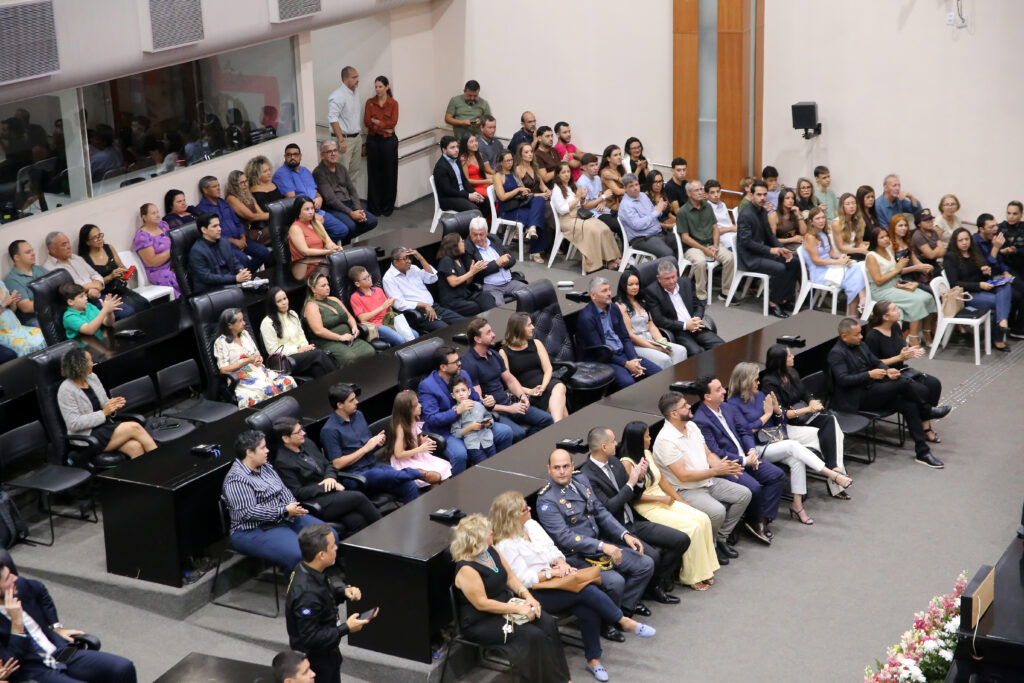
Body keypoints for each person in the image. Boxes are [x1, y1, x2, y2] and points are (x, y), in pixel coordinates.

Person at [489, 491, 655, 681]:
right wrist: (551, 573)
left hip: (558, 580)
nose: (529, 509)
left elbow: (552, 549)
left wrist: (561, 563)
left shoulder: (531, 525)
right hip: (535, 593)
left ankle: (594, 659)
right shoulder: (506, 544)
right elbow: (522, 580)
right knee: (584, 590)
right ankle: (622, 620)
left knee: (588, 609)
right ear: (512, 516)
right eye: (524, 509)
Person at [450, 514, 572, 683]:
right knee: (532, 635)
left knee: (547, 622)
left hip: (505, 606)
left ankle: (562, 679)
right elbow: (482, 604)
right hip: (481, 620)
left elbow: (511, 577)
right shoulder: (467, 569)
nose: (492, 532)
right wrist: (519, 609)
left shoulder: (491, 550)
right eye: (487, 531)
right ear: (476, 539)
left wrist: (528, 598)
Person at [726, 362, 852, 525]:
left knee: (796, 460)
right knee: (793, 446)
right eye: (755, 379)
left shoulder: (760, 395)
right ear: (745, 381)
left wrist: (777, 412)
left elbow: (780, 422)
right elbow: (746, 431)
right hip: (755, 448)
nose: (758, 382)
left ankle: (797, 505)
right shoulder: (732, 405)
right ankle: (832, 474)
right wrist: (767, 415)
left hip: (774, 439)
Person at [536, 449, 656, 619]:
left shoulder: (581, 479)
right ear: (549, 469)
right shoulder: (546, 500)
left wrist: (624, 534)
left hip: (599, 545)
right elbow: (565, 537)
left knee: (645, 564)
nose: (562, 471)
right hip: (576, 556)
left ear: (572, 466)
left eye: (565, 466)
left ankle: (623, 609)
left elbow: (600, 512)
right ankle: (608, 621)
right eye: (557, 467)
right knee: (615, 582)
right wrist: (602, 546)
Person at [579, 427, 689, 605]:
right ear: (604, 447)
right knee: (653, 556)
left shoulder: (614, 462)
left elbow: (633, 495)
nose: (617, 444)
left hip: (634, 521)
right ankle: (653, 588)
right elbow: (608, 508)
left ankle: (655, 583)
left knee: (681, 540)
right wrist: (630, 484)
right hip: (616, 529)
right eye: (613, 441)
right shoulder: (587, 476)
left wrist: (638, 480)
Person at [827, 317, 946, 468]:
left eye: (860, 333)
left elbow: (875, 361)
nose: (861, 336)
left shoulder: (860, 345)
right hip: (857, 398)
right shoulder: (836, 353)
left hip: (873, 390)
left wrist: (887, 370)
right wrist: (869, 374)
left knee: (909, 405)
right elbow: (843, 380)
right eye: (857, 334)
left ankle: (922, 452)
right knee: (902, 383)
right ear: (844, 336)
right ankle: (927, 409)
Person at [617, 421, 719, 589]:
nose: (650, 439)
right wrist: (660, 499)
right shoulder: (626, 463)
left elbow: (662, 480)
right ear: (637, 439)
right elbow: (632, 497)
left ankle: (705, 569)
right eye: (647, 436)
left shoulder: (647, 452)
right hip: (648, 507)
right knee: (692, 527)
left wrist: (679, 499)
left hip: (663, 499)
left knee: (703, 518)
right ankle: (692, 576)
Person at [0, 558, 138, 682]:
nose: (15, 578)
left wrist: (56, 626)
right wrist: (16, 623)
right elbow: (10, 665)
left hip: (60, 652)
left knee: (123, 667)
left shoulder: (20, 587)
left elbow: (41, 591)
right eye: (7, 578)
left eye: (11, 573)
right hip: (34, 669)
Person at [652, 391, 751, 564]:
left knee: (744, 494)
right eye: (684, 406)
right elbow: (683, 476)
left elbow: (708, 453)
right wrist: (716, 471)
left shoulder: (692, 426)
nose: (690, 406)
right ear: (674, 414)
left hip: (708, 481)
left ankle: (721, 539)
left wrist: (723, 467)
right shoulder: (665, 441)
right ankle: (711, 547)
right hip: (687, 489)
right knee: (717, 511)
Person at [690, 376, 786, 545]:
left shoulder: (727, 407)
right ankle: (754, 520)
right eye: (718, 389)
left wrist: (751, 451)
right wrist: (744, 460)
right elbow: (716, 452)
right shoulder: (700, 420)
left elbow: (745, 431)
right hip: (729, 464)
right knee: (754, 488)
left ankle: (761, 519)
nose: (724, 391)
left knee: (777, 475)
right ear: (707, 396)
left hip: (747, 456)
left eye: (722, 387)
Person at [223, 430, 334, 572]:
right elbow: (249, 512)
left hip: (284, 517)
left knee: (329, 536)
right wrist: (284, 510)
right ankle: (300, 585)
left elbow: (283, 489)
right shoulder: (236, 480)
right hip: (252, 529)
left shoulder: (265, 466)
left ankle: (319, 579)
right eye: (263, 448)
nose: (267, 450)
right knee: (298, 554)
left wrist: (293, 506)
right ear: (249, 452)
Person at [320, 382, 433, 504]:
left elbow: (368, 444)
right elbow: (337, 464)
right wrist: (365, 448)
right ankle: (416, 473)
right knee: (378, 474)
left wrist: (376, 442)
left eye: (355, 398)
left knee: (408, 484)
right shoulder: (329, 430)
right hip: (354, 475)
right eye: (351, 400)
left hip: (373, 464)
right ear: (340, 405)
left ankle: (414, 510)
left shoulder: (358, 415)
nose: (357, 402)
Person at [761, 344, 850, 497]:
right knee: (831, 436)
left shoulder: (791, 372)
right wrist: (808, 409)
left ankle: (835, 472)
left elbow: (804, 393)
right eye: (789, 355)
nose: (793, 356)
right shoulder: (769, 382)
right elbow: (781, 414)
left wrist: (812, 401)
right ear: (780, 360)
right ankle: (836, 479)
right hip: (786, 426)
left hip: (802, 418)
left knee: (831, 422)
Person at [285, 525, 371, 683]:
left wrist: (343, 592)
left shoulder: (307, 569)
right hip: (316, 662)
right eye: (332, 546)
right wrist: (346, 628)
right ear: (321, 555)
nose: (336, 548)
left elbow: (324, 595)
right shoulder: (306, 595)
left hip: (328, 652)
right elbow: (310, 637)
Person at [417, 345, 515, 473]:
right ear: (443, 367)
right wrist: (456, 411)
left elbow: (476, 400)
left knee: (506, 432)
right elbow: (431, 419)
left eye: (459, 359)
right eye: (455, 362)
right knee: (460, 454)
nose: (460, 363)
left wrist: (488, 403)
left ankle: (503, 470)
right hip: (448, 431)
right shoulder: (428, 386)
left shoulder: (463, 374)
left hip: (472, 422)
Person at [275, 419, 380, 535]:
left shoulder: (307, 443)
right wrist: (327, 486)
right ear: (286, 438)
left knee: (357, 521)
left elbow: (329, 465)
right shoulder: (282, 462)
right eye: (298, 432)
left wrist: (330, 478)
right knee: (358, 497)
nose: (303, 433)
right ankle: (384, 529)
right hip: (316, 502)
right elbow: (297, 493)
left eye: (302, 429)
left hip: (333, 495)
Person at [865, 301, 945, 443]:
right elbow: (872, 363)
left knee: (933, 383)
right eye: (894, 309)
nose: (899, 311)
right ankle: (925, 426)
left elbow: (898, 348)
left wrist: (906, 352)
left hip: (901, 369)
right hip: (886, 375)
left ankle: (924, 423)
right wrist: (899, 357)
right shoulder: (873, 336)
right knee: (921, 389)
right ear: (885, 317)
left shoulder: (895, 326)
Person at [57, 346, 156, 459]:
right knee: (135, 427)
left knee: (135, 447)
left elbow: (104, 404)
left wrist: (113, 405)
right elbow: (74, 424)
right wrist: (103, 413)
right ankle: (162, 460)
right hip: (88, 436)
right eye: (90, 361)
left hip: (105, 426)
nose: (93, 363)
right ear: (80, 366)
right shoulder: (66, 390)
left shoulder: (92, 377)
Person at [461, 317, 553, 439]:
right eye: (488, 333)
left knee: (547, 419)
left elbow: (510, 380)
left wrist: (522, 396)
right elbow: (480, 401)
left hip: (508, 403)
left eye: (491, 331)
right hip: (493, 412)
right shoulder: (469, 364)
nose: (494, 335)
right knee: (518, 434)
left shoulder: (493, 354)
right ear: (477, 339)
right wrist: (509, 409)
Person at [576, 276, 660, 389]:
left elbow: (625, 337)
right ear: (593, 295)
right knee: (628, 382)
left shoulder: (614, 308)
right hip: (603, 360)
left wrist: (633, 359)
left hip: (622, 353)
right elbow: (600, 351)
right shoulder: (586, 317)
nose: (609, 293)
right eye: (604, 291)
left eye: (609, 289)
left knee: (657, 373)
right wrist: (626, 364)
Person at [737, 180, 800, 317]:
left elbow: (770, 235)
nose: (762, 198)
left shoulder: (762, 211)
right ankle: (773, 303)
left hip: (761, 253)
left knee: (794, 262)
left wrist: (781, 248)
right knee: (780, 268)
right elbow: (746, 242)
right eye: (759, 195)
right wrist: (770, 250)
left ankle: (784, 299)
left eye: (765, 195)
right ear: (751, 195)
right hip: (749, 258)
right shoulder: (746, 214)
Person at [943, 227, 1013, 351]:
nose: (964, 242)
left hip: (981, 289)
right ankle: (998, 336)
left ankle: (1002, 321)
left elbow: (979, 276)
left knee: (1006, 286)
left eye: (966, 239)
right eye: (960, 240)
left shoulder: (974, 253)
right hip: (966, 295)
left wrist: (985, 272)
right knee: (1001, 302)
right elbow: (955, 283)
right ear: (955, 242)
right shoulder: (950, 257)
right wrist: (979, 285)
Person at [865, 227, 936, 345]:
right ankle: (913, 337)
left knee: (928, 297)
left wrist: (900, 268)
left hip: (895, 283)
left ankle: (926, 331)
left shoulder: (888, 250)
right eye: (881, 237)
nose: (886, 239)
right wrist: (897, 269)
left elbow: (896, 271)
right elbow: (878, 281)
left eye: (886, 236)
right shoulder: (871, 256)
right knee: (916, 301)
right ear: (874, 240)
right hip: (881, 290)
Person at [214, 307, 296, 408]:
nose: (244, 323)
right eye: (240, 321)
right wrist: (246, 361)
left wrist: (258, 359)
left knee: (288, 381)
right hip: (241, 377)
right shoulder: (221, 342)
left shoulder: (245, 334)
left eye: (243, 320)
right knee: (267, 389)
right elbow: (223, 369)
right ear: (229, 325)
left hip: (259, 370)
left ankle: (290, 410)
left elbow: (257, 354)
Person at [550, 161, 621, 273]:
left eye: (568, 172)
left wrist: (582, 198)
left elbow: (579, 204)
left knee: (603, 227)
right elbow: (562, 210)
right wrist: (578, 198)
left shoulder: (571, 186)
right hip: (567, 220)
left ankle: (612, 259)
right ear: (558, 175)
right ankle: (594, 265)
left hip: (578, 215)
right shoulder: (556, 190)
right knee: (592, 230)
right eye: (563, 172)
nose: (567, 174)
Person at [644, 259, 725, 356]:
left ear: (676, 273)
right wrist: (685, 325)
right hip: (678, 331)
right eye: (667, 278)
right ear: (659, 278)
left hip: (695, 326)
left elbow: (698, 305)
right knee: (697, 352)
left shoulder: (686, 283)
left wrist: (696, 319)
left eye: (673, 277)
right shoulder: (652, 292)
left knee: (721, 346)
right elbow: (659, 319)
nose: (672, 281)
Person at [498, 312, 568, 422]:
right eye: (529, 325)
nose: (533, 327)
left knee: (560, 387)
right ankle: (559, 426)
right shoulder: (503, 352)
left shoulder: (536, 343)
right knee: (561, 410)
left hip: (546, 383)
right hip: (526, 391)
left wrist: (543, 387)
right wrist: (530, 391)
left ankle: (556, 425)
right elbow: (509, 382)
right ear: (519, 329)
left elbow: (548, 369)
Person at [273, 144, 349, 243]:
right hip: (301, 214)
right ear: (285, 156)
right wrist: (312, 215)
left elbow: (315, 191)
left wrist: (319, 198)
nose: (292, 157)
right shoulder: (282, 174)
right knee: (334, 232)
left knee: (342, 230)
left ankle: (321, 246)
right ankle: (318, 246)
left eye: (295, 154)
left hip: (317, 210)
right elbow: (292, 200)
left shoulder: (305, 171)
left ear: (300, 156)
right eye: (289, 155)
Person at [614, 267, 688, 369]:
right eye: (630, 285)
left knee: (681, 350)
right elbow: (630, 335)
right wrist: (655, 348)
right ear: (623, 286)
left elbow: (651, 325)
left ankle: (679, 377)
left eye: (637, 284)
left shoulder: (642, 301)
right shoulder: (620, 306)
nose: (635, 287)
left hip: (651, 340)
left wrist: (662, 341)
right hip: (637, 345)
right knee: (664, 359)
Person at [196, 175, 270, 273]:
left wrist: (242, 237)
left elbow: (237, 222)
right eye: (214, 186)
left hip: (240, 240)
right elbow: (212, 234)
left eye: (218, 185)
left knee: (264, 252)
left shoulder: (224, 203)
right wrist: (234, 241)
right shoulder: (202, 209)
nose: (218, 188)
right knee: (244, 260)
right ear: (205, 190)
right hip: (224, 245)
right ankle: (246, 278)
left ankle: (246, 276)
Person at [802, 206, 867, 316]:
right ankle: (858, 306)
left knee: (858, 267)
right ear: (811, 221)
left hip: (830, 267)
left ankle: (857, 308)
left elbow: (832, 253)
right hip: (820, 273)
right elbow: (816, 260)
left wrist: (843, 257)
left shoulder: (824, 234)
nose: (821, 220)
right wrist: (837, 262)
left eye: (823, 217)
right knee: (854, 275)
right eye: (818, 218)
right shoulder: (810, 237)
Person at [260, 286, 338, 377]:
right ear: (273, 304)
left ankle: (334, 384)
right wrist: (297, 350)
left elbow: (301, 336)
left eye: (285, 298)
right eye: (279, 301)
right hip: (285, 360)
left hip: (301, 354)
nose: (284, 302)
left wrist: (305, 347)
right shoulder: (267, 323)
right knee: (319, 354)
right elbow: (273, 351)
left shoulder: (292, 314)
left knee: (317, 367)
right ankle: (340, 380)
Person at [302, 273, 375, 368]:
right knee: (350, 358)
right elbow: (318, 330)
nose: (327, 288)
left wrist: (354, 327)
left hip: (349, 338)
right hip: (329, 342)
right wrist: (340, 337)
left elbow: (349, 317)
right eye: (323, 286)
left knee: (370, 351)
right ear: (313, 289)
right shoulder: (312, 305)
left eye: (328, 284)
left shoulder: (334, 299)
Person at [382, 247, 463, 333]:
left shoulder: (413, 268)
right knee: (446, 329)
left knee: (461, 321)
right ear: (395, 262)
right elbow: (399, 304)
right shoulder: (389, 278)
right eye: (405, 259)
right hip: (417, 314)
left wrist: (421, 258)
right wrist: (424, 305)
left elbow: (432, 278)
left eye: (410, 258)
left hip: (433, 307)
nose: (409, 261)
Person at [678, 180, 735, 300]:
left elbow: (715, 229)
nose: (700, 192)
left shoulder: (707, 207)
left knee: (730, 258)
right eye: (696, 190)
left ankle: (725, 292)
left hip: (711, 243)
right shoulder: (683, 211)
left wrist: (715, 246)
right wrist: (704, 250)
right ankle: (701, 296)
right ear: (689, 193)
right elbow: (685, 238)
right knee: (700, 262)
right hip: (693, 247)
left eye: (701, 189)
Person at [76, 224, 150, 315]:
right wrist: (111, 276)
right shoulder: (84, 259)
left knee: (144, 303)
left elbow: (121, 266)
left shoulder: (109, 248)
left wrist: (124, 272)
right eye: (95, 238)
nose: (99, 239)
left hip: (120, 288)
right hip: (105, 294)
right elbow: (92, 285)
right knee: (130, 310)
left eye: (100, 235)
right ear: (87, 242)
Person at [314, 140, 378, 241]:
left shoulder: (341, 168)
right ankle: (340, 241)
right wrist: (351, 213)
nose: (333, 154)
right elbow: (331, 200)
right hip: (334, 208)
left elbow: (352, 190)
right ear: (322, 155)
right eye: (329, 151)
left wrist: (357, 209)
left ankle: (344, 240)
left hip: (350, 204)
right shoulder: (319, 173)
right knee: (351, 226)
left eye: (335, 150)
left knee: (372, 221)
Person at [492, 150, 547, 264]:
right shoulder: (498, 176)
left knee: (540, 200)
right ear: (501, 162)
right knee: (539, 216)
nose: (510, 163)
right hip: (508, 209)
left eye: (511, 160)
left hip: (519, 203)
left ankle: (532, 228)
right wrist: (518, 190)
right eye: (507, 161)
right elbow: (502, 197)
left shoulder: (514, 174)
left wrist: (524, 192)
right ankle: (535, 252)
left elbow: (523, 189)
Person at [388, 389, 452, 484]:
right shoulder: (400, 428)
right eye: (416, 405)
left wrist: (422, 441)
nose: (420, 405)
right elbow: (398, 454)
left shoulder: (413, 419)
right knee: (435, 475)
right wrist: (420, 449)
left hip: (416, 454)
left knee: (444, 468)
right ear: (408, 410)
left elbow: (413, 438)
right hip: (405, 461)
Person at [464, 216, 528, 306]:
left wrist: (505, 262)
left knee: (532, 293)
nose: (478, 238)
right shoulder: (467, 247)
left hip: (509, 282)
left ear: (486, 232)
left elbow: (512, 259)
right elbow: (475, 274)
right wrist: (497, 263)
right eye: (475, 234)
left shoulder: (493, 239)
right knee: (498, 308)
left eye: (481, 234)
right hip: (490, 286)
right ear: (470, 233)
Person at [347, 265, 415, 345]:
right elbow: (362, 318)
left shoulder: (378, 290)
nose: (369, 279)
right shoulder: (355, 297)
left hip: (389, 320)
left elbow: (389, 311)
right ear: (357, 284)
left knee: (415, 335)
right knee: (401, 340)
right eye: (365, 278)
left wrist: (390, 305)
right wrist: (382, 307)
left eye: (369, 276)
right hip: (376, 325)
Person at [188, 213, 252, 295]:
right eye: (214, 226)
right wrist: (235, 278)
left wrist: (243, 272)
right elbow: (207, 277)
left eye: (219, 225)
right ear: (204, 230)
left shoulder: (224, 242)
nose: (219, 229)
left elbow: (235, 262)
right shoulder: (197, 251)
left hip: (231, 284)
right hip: (210, 291)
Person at [437, 230, 497, 318]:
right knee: (475, 307)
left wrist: (475, 271)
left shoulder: (459, 260)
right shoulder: (446, 260)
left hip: (464, 295)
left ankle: (495, 318)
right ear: (454, 245)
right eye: (461, 241)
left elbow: (466, 283)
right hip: (452, 301)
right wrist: (471, 272)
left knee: (486, 296)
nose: (464, 243)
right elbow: (453, 282)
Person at [618, 173, 674, 258]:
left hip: (658, 233)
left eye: (636, 184)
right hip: (642, 238)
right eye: (631, 186)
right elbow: (638, 225)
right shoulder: (626, 205)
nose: (635, 188)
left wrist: (660, 209)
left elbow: (653, 213)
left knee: (680, 244)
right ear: (625, 188)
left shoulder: (643, 196)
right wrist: (656, 212)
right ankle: (659, 267)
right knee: (668, 254)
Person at [513, 143, 552, 262]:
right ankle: (536, 251)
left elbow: (542, 185)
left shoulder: (535, 167)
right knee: (544, 210)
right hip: (525, 201)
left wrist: (547, 191)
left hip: (537, 201)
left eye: (531, 151)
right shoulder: (518, 169)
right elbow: (523, 193)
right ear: (520, 155)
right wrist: (541, 195)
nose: (530, 154)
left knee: (546, 208)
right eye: (526, 152)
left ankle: (533, 231)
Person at [432, 135, 489, 217]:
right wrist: (468, 196)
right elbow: (447, 190)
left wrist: (474, 192)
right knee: (474, 209)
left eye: (457, 147)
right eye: (452, 148)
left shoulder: (456, 160)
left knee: (486, 202)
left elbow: (464, 180)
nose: (456, 150)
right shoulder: (440, 167)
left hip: (461, 193)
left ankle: (480, 223)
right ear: (444, 150)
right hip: (449, 198)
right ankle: (473, 224)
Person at [288, 195, 342, 281]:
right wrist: (328, 251)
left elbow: (328, 242)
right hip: (303, 265)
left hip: (319, 262)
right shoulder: (295, 228)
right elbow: (305, 251)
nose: (311, 212)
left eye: (312, 208)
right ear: (298, 212)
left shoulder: (317, 223)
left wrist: (335, 247)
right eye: (307, 209)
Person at [327, 66, 364, 187]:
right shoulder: (338, 95)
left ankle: (351, 197)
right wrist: (341, 140)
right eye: (354, 77)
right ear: (345, 79)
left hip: (356, 138)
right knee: (341, 175)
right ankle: (341, 198)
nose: (357, 80)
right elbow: (333, 118)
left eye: (357, 76)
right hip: (344, 139)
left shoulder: (355, 93)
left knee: (354, 172)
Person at [446, 376, 496, 466]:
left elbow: (489, 417)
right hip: (473, 446)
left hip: (488, 441)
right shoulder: (455, 411)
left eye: (463, 390)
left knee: (495, 463)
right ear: (453, 395)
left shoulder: (478, 405)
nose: (461, 394)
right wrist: (470, 427)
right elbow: (455, 433)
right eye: (457, 391)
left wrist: (488, 423)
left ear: (469, 392)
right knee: (486, 467)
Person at [133, 203, 180, 297]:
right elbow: (152, 261)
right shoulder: (142, 236)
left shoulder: (163, 225)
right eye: (153, 213)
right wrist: (172, 250)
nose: (158, 215)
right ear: (144, 217)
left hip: (175, 262)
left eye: (157, 212)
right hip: (158, 271)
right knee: (179, 276)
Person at [42, 232, 105, 303]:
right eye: (64, 244)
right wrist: (89, 287)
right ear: (53, 249)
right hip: (80, 304)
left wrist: (97, 286)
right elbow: (67, 292)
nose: (69, 247)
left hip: (99, 295)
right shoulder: (49, 268)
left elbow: (95, 274)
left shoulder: (75, 258)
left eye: (68, 243)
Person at [224, 169, 272, 248]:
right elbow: (251, 216)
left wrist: (276, 216)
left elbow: (261, 213)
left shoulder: (247, 194)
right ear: (234, 185)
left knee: (279, 225)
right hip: (245, 232)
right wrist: (273, 215)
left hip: (256, 226)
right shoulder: (231, 198)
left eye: (246, 181)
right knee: (275, 230)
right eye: (242, 183)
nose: (246, 184)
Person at [5, 240, 48, 326]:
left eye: (32, 251)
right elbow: (26, 307)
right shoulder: (12, 279)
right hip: (33, 318)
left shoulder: (40, 269)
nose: (33, 254)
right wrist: (53, 300)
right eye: (28, 252)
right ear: (17, 257)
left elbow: (57, 286)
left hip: (50, 311)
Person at [577, 153, 620, 234]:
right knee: (618, 225)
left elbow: (600, 194)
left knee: (624, 219)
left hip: (603, 210)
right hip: (593, 214)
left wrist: (603, 202)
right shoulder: (582, 182)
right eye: (592, 165)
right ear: (584, 168)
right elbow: (586, 206)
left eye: (596, 164)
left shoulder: (597, 178)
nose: (596, 168)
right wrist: (603, 197)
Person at [890, 213, 936, 289]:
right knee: (930, 291)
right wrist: (916, 267)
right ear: (893, 227)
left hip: (914, 275)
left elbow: (915, 260)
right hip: (901, 279)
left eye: (905, 225)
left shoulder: (906, 242)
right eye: (900, 226)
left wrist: (925, 267)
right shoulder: (890, 245)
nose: (904, 228)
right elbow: (895, 271)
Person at [0, 281, 43, 357]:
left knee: (43, 334)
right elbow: (4, 304)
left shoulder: (1, 283)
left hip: (17, 328)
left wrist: (12, 304)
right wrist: (4, 304)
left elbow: (12, 310)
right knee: (25, 347)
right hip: (4, 333)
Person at [911, 209, 947, 280]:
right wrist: (938, 248)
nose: (930, 222)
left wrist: (933, 252)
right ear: (919, 224)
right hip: (923, 266)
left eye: (930, 219)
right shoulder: (918, 235)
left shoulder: (933, 231)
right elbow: (931, 255)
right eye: (926, 220)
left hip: (934, 262)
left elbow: (943, 251)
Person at [831, 192, 869, 260]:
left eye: (853, 203)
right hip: (842, 256)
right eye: (847, 204)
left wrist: (863, 247)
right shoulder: (836, 223)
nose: (851, 206)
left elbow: (859, 243)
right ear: (842, 207)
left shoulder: (860, 221)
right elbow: (841, 248)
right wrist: (861, 250)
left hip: (855, 252)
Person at [999, 200, 1024, 278]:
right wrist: (1001, 251)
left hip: (1021, 267)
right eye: (1008, 213)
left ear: (1021, 214)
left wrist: (1016, 250)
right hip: (1003, 267)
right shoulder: (999, 228)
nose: (1011, 216)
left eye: (1015, 214)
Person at [598, 145, 627, 213]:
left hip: (623, 200)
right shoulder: (605, 173)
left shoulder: (621, 168)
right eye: (615, 155)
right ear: (608, 159)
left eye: (620, 154)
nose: (619, 157)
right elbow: (617, 191)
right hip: (612, 205)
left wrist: (616, 178)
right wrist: (631, 190)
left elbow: (627, 183)